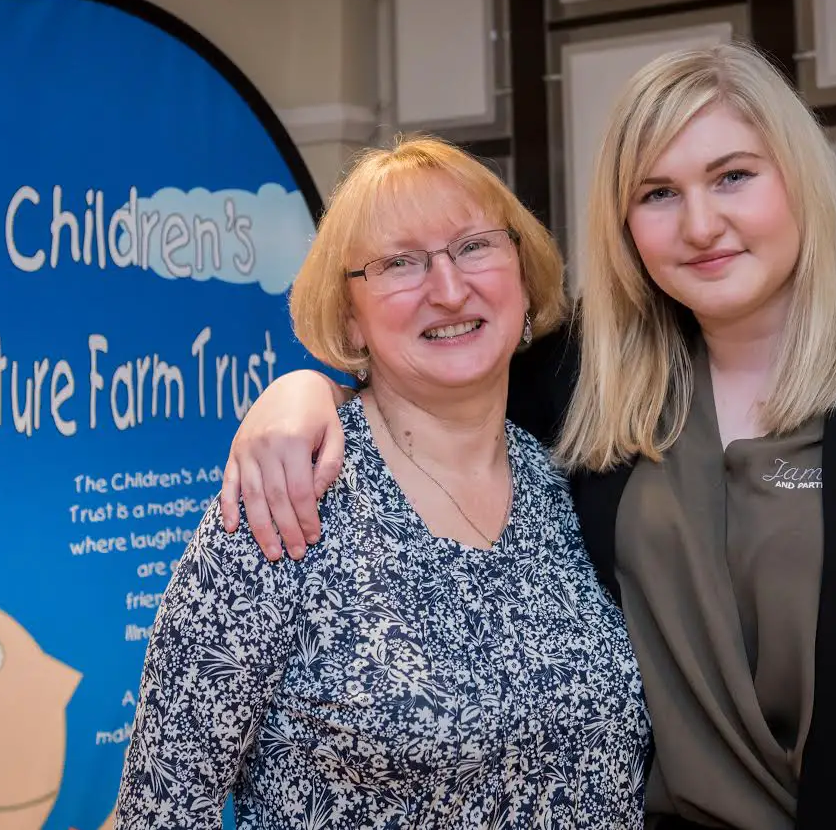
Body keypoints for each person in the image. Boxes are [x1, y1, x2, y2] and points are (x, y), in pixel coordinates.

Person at [214, 40, 836, 830]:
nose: (701, 225)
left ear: (800, 181)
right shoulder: (582, 383)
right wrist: (304, 391)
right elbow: (428, 369)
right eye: (658, 194)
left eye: (733, 177)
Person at [113, 136, 653, 828]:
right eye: (400, 262)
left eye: (476, 246)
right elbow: (161, 809)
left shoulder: (568, 478)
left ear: (524, 271)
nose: (449, 288)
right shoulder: (287, 495)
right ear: (348, 315)